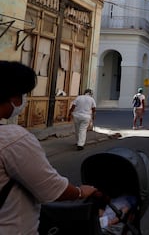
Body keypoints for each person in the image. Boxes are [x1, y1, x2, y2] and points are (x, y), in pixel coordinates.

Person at [0, 60, 97, 234]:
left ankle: (80, 142)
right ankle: (80, 143)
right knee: (82, 131)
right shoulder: (13, 139)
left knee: (79, 131)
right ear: (13, 97)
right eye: (23, 95)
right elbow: (52, 189)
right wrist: (81, 192)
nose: (24, 100)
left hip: (77, 116)